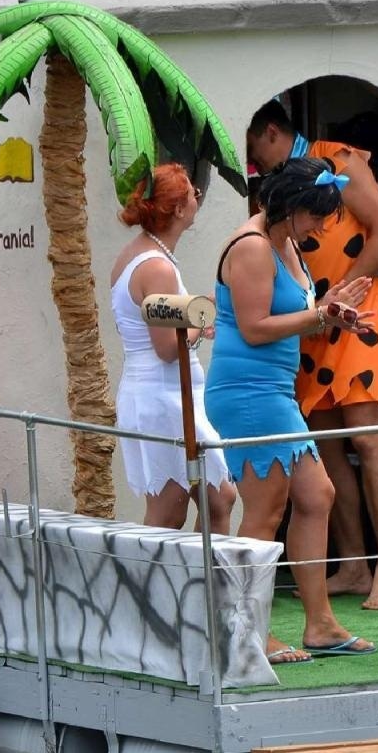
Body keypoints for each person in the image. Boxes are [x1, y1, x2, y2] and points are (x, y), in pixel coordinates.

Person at [205, 156, 378, 662]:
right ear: (291, 206)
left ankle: (320, 623)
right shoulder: (254, 247)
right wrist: (318, 315)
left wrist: (332, 314)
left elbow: (300, 317)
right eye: (316, 215)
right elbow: (255, 326)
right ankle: (247, 628)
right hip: (247, 392)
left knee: (317, 496)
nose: (322, 226)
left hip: (274, 391)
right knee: (265, 509)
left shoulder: (286, 244)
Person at [245, 101, 378, 610]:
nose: (253, 161)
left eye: (253, 147)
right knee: (327, 443)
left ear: (271, 133)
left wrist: (344, 291)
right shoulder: (279, 182)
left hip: (361, 309)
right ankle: (354, 564)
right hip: (317, 317)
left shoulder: (336, 159)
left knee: (364, 433)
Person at [108, 163, 236, 533]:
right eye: (192, 193)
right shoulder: (157, 267)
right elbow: (166, 347)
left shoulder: (138, 254)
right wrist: (200, 320)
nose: (198, 197)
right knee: (169, 510)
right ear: (179, 209)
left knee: (218, 498)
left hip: (161, 393)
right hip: (162, 396)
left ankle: (198, 588)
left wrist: (195, 316)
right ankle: (159, 591)